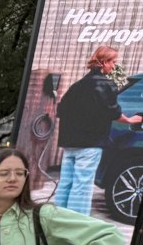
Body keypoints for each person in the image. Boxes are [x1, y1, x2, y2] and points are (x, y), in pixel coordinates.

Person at [54, 45, 142, 215]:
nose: (114, 66)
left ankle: (58, 219)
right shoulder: (106, 84)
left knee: (66, 182)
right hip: (90, 144)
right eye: (113, 62)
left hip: (70, 144)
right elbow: (114, 112)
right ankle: (76, 225)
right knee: (82, 185)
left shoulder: (77, 85)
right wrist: (130, 119)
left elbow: (61, 110)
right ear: (103, 62)